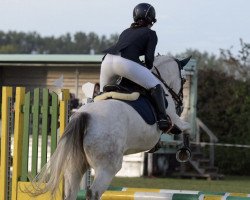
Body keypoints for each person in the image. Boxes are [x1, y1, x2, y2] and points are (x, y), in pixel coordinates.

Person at [100, 3, 172, 133]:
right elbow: (149, 59)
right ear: (151, 19)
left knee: (101, 95)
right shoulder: (151, 34)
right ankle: (162, 119)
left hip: (107, 60)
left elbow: (129, 49)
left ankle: (87, 106)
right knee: (156, 86)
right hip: (124, 63)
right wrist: (147, 68)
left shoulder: (126, 31)